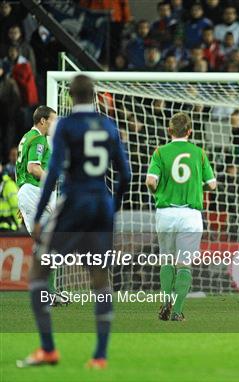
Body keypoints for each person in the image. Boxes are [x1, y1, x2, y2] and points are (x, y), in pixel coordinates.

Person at [17, 75, 131, 369]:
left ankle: (48, 349)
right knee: (100, 277)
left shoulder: (65, 126)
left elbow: (53, 173)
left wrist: (42, 212)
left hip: (73, 204)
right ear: (93, 96)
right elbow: (126, 175)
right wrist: (113, 205)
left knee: (38, 273)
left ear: (70, 98)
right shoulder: (108, 125)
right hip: (102, 206)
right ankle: (100, 356)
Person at [146, 112, 217, 322]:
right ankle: (177, 311)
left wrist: (158, 192)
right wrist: (196, 185)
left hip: (166, 213)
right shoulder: (199, 153)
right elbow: (212, 185)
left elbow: (150, 181)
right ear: (190, 131)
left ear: (169, 130)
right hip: (190, 215)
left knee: (166, 260)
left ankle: (165, 302)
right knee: (184, 264)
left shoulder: (160, 152)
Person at [15, 106, 58, 295]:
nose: (54, 124)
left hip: (28, 192)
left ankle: (48, 291)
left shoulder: (26, 137)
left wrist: (22, 196)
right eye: (52, 120)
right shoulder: (39, 139)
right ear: (43, 121)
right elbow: (33, 168)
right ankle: (46, 292)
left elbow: (22, 169)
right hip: (35, 192)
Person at [0, 163, 20, 231]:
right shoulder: (9, 184)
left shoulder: (6, 183)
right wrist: (18, 224)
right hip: (9, 226)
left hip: (5, 225)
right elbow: (16, 205)